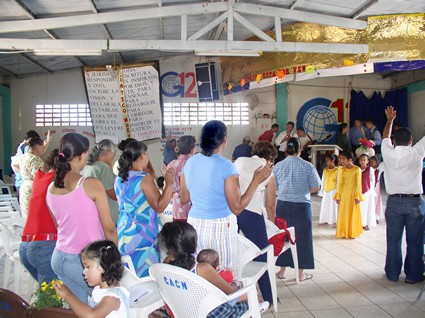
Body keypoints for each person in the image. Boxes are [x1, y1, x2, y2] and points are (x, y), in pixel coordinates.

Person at [180, 120, 272, 273]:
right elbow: (237, 208)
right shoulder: (226, 166)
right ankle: (229, 297)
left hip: (195, 226)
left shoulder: (190, 162)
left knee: (201, 272)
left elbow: (184, 198)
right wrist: (255, 182)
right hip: (220, 227)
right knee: (224, 273)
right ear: (224, 140)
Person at [47, 133, 117, 304]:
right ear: (83, 154)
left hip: (60, 257)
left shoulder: (51, 187)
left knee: (80, 309)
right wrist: (115, 257)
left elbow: (58, 226)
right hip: (85, 261)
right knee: (107, 306)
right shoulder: (90, 184)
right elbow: (109, 228)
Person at [157, 222, 266, 317]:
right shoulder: (202, 268)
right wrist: (242, 290)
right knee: (249, 296)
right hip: (208, 313)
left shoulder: (164, 266)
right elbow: (230, 293)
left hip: (183, 313)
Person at [115, 140, 175, 278]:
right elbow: (159, 206)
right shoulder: (144, 178)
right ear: (142, 156)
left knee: (129, 273)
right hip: (142, 233)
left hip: (124, 231)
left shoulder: (119, 178)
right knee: (145, 274)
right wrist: (169, 184)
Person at [381, 106, 425, 284]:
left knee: (393, 241)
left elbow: (384, 137)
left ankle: (392, 274)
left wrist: (390, 120)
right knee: (415, 241)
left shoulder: (387, 152)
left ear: (393, 140)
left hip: (393, 203)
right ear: (411, 141)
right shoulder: (416, 152)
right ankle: (413, 275)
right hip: (414, 203)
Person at [234, 141, 276, 304]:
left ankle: (237, 294)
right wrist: (273, 227)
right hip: (251, 214)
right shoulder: (267, 168)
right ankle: (268, 296)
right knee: (262, 254)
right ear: (270, 157)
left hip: (233, 210)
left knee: (235, 252)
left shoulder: (239, 161)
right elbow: (270, 204)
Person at [273, 137, 321, 281]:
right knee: (302, 239)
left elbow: (275, 187)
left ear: (286, 150)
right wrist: (303, 190)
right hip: (302, 207)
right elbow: (316, 187)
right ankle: (300, 274)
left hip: (282, 206)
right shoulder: (308, 166)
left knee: (283, 238)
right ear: (300, 150)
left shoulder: (278, 166)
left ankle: (282, 271)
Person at [54, 240, 129, 318]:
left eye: (87, 267)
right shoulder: (99, 290)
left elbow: (92, 316)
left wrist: (68, 295)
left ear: (102, 266)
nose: (84, 272)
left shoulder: (113, 297)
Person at [19, 150, 58, 285]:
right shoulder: (55, 182)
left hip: (25, 244)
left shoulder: (39, 177)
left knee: (49, 294)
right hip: (43, 246)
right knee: (50, 300)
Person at [83, 139, 119, 224]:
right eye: (114, 154)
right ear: (109, 152)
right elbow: (113, 195)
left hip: (91, 215)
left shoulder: (87, 166)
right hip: (107, 217)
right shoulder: (103, 168)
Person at [334, 151, 364, 239]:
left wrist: (357, 196)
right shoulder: (341, 170)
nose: (341, 161)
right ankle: (343, 232)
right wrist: (338, 195)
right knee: (343, 213)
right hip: (343, 195)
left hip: (353, 195)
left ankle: (352, 232)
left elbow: (358, 184)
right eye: (340, 159)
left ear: (350, 160)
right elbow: (339, 183)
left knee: (352, 213)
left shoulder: (357, 169)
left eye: (343, 159)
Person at [167, 135, 196, 222]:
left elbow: (167, 188)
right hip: (194, 208)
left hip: (177, 208)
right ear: (192, 149)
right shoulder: (194, 164)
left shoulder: (171, 164)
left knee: (179, 234)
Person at [19, 137, 48, 219]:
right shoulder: (34, 159)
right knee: (34, 217)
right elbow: (39, 177)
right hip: (33, 189)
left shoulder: (24, 156)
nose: (43, 150)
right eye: (43, 147)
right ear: (38, 147)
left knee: (26, 215)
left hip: (24, 187)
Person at [11, 130, 41, 198]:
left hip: (20, 182)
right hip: (24, 183)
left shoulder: (20, 147)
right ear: (30, 139)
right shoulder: (26, 148)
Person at [318, 154, 339, 225]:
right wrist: (322, 190)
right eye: (326, 161)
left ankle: (333, 220)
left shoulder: (337, 170)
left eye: (328, 161)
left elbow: (338, 181)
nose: (326, 163)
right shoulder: (325, 170)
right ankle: (325, 219)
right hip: (326, 190)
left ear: (333, 161)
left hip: (334, 190)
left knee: (333, 206)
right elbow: (323, 180)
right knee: (325, 205)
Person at [358, 154, 376, 231]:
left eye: (364, 160)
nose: (362, 161)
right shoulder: (357, 169)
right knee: (360, 208)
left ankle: (366, 223)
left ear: (367, 161)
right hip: (359, 191)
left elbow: (373, 180)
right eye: (361, 160)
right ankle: (359, 223)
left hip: (368, 191)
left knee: (367, 208)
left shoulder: (370, 169)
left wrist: (371, 189)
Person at [369, 156, 384, 223]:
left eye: (373, 162)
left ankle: (376, 216)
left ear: (377, 163)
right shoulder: (368, 169)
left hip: (376, 187)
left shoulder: (379, 169)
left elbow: (384, 164)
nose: (371, 163)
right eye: (370, 162)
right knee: (370, 201)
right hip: (369, 187)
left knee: (376, 201)